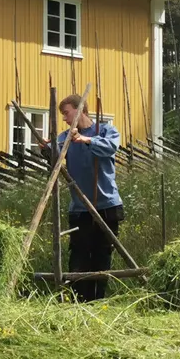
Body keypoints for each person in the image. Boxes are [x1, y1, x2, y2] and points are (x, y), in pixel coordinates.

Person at [56, 94, 123, 301]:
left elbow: (109, 148)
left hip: (106, 205)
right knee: (79, 257)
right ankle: (79, 303)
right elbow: (55, 155)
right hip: (79, 208)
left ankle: (99, 301)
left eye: (67, 113)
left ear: (80, 109)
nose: (65, 119)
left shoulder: (105, 131)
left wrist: (85, 140)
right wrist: (47, 148)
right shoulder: (64, 136)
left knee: (102, 256)